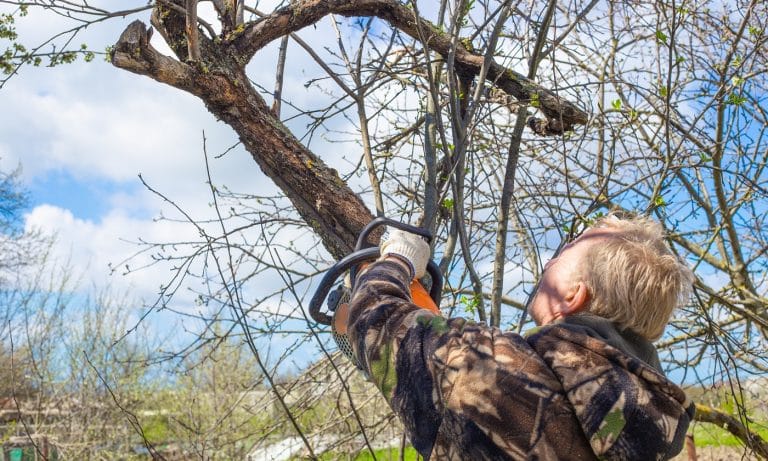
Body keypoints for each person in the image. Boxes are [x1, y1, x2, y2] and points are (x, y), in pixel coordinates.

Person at [345, 214, 695, 460]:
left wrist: (398, 259)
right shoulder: (645, 417)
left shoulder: (510, 377)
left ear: (574, 295)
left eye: (562, 256)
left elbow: (376, 315)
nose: (548, 263)